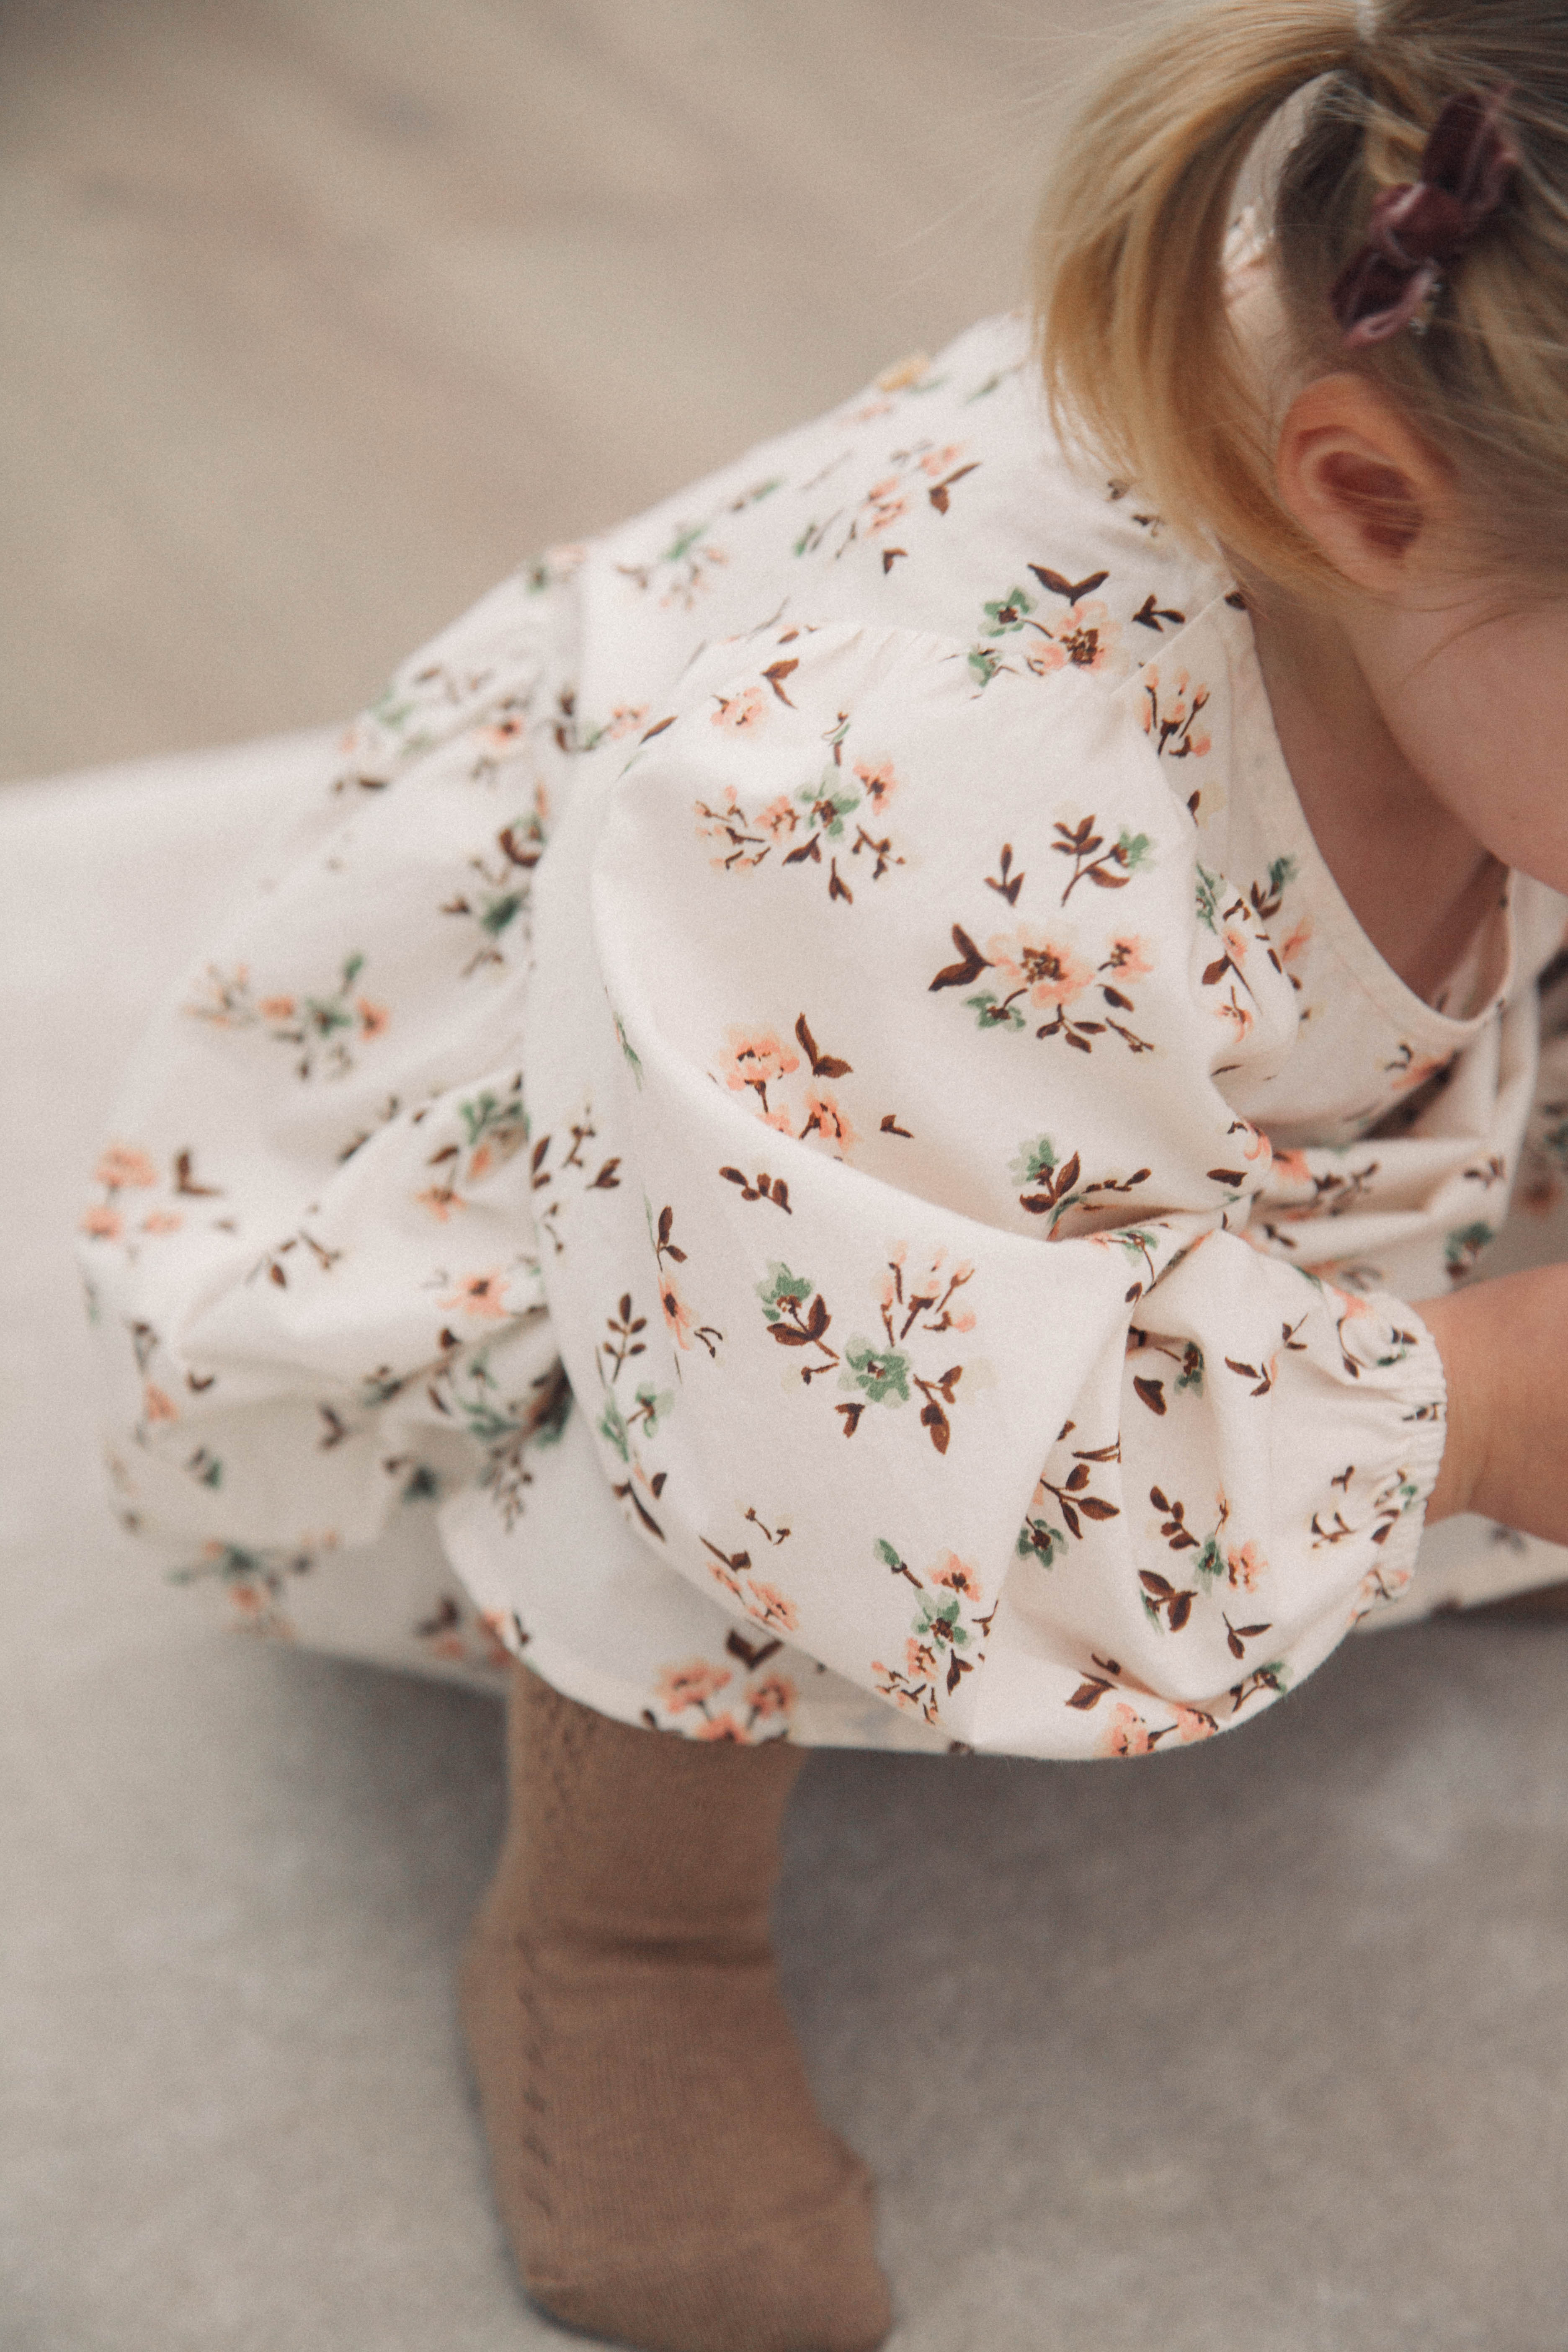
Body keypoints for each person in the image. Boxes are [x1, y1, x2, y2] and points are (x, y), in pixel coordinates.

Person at [77, 3, 1568, 2345]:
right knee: (807, 1382)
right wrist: (1465, 1411)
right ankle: (618, 1934)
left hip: (1052, 1072)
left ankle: (1341, 1431)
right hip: (687, 1287)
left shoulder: (1460, 563)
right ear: (1362, 499)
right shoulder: (920, 825)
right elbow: (790, 1439)